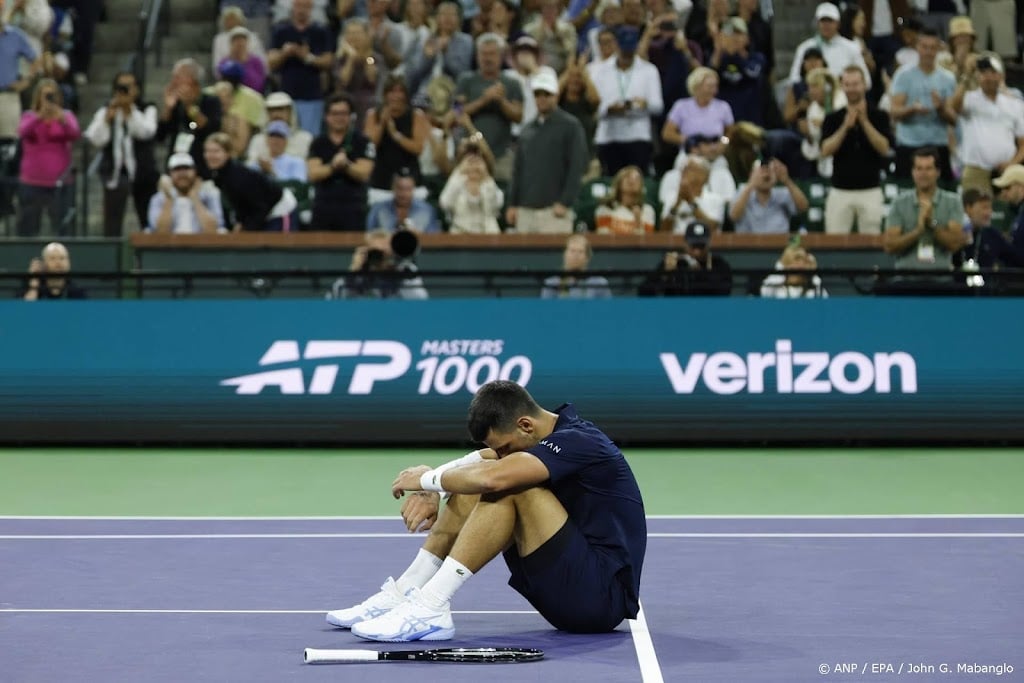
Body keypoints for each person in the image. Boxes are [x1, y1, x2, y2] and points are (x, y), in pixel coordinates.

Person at [326, 380, 646, 642]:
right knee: (483, 478)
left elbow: (493, 476)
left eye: (504, 446)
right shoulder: (537, 438)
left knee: (508, 485)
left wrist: (425, 478)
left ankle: (431, 606)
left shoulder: (582, 441)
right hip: (565, 592)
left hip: (601, 600)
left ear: (525, 424)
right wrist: (432, 486)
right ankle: (408, 590)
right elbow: (481, 462)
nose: (499, 454)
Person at [506, 70, 589, 235]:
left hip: (555, 211)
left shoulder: (571, 126)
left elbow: (577, 165)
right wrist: (512, 204)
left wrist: (565, 202)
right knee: (525, 261)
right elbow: (518, 170)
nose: (542, 98)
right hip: (526, 211)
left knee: (555, 259)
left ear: (556, 95)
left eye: (547, 94)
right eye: (538, 94)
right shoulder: (526, 130)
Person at [84, 71, 159, 237]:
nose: (125, 91)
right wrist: (107, 120)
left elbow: (146, 132)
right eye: (121, 87)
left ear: (137, 89)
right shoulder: (106, 110)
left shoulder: (147, 109)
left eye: (129, 86)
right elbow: (95, 138)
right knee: (112, 225)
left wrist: (129, 112)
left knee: (147, 220)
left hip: (143, 173)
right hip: (114, 174)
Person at [820, 65, 891, 235]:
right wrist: (845, 126)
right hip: (840, 190)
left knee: (872, 244)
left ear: (864, 84)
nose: (852, 88)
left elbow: (884, 148)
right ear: (842, 86)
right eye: (848, 84)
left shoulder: (879, 116)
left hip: (871, 189)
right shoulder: (832, 118)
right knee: (834, 244)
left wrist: (864, 121)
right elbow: (825, 150)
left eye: (856, 84)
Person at [591, 25, 663, 176]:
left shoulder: (649, 70)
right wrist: (609, 109)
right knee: (610, 183)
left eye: (630, 48)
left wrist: (645, 105)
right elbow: (594, 106)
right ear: (616, 44)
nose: (627, 53)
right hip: (609, 136)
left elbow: (658, 106)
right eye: (624, 48)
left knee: (636, 181)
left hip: (638, 136)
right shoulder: (601, 71)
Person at [948, 54, 1024, 194]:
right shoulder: (970, 99)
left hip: (1007, 170)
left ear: (1001, 75)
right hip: (976, 170)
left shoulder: (1015, 104)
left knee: (1008, 212)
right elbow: (954, 106)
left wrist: (1012, 164)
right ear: (977, 76)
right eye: (983, 73)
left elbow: (1023, 144)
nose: (988, 77)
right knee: (974, 212)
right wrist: (966, 76)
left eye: (993, 72)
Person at [888, 27, 957, 181]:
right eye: (924, 47)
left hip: (938, 145)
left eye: (932, 48)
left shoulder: (948, 79)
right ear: (917, 47)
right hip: (909, 145)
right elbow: (894, 112)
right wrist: (912, 109)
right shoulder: (903, 75)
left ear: (938, 49)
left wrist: (941, 108)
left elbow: (954, 119)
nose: (928, 52)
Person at [454, 33, 524, 182]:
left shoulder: (512, 83)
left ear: (501, 56)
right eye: (483, 53)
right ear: (477, 56)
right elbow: (457, 112)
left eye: (492, 53)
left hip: (502, 154)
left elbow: (518, 116)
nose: (487, 58)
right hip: (469, 155)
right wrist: (483, 100)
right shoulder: (465, 80)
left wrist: (501, 100)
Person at [882, 147, 965, 271]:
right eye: (919, 168)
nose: (923, 173)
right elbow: (889, 246)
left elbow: (954, 244)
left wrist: (932, 224)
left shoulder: (953, 201)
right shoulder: (899, 202)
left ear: (938, 172)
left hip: (941, 277)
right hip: (906, 277)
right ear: (912, 172)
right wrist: (918, 231)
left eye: (928, 168)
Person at [16, 78, 80, 237]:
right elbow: (22, 131)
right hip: (32, 182)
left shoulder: (66, 115)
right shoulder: (29, 116)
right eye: (46, 95)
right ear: (38, 97)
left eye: (52, 95)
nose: (49, 99)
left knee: (63, 229)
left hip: (60, 183)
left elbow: (75, 133)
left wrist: (62, 119)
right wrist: (40, 116)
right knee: (28, 229)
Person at [307, 93, 376, 231]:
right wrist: (333, 166)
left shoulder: (362, 141)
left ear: (351, 116)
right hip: (323, 206)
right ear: (327, 116)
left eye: (344, 113)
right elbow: (313, 174)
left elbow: (364, 173)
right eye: (335, 113)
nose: (339, 117)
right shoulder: (318, 142)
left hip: (353, 206)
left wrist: (347, 165)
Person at [204, 132, 296, 231]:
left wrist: (246, 228)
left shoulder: (238, 176)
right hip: (261, 212)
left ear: (228, 153)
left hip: (280, 209)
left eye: (216, 151)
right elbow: (241, 205)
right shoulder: (219, 175)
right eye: (208, 151)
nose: (211, 156)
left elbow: (261, 206)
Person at [268, 0, 333, 135]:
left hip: (312, 96)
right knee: (285, 135)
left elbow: (328, 61)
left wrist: (307, 57)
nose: (301, 10)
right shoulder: (281, 31)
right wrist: (284, 54)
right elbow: (271, 62)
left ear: (311, 8)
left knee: (310, 136)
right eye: (299, 6)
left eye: (305, 6)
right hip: (286, 96)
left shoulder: (320, 31)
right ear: (293, 7)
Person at [363, 75, 430, 201]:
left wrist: (395, 134)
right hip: (381, 182)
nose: (396, 96)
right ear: (385, 95)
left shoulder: (416, 116)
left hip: (411, 181)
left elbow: (418, 148)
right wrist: (382, 124)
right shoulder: (373, 115)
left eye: (400, 91)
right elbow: (369, 147)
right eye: (392, 91)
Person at [157, 59, 223, 179]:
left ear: (193, 80)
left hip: (201, 167)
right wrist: (167, 109)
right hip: (175, 166)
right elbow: (160, 136)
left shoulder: (211, 101)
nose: (173, 82)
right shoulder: (175, 105)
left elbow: (209, 130)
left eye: (178, 77)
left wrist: (189, 106)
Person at [327, 228, 429, 299]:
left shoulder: (405, 270)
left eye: (385, 252)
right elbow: (333, 301)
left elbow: (420, 301)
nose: (381, 257)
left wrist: (399, 273)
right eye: (376, 252)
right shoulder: (358, 275)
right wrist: (353, 273)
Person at [789, 3, 872, 88]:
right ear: (817, 23)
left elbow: (866, 81)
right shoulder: (804, 48)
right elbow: (794, 79)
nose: (826, 24)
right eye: (823, 21)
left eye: (830, 21)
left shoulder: (851, 48)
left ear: (838, 24)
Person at [638, 220, 732, 295]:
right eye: (693, 246)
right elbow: (643, 292)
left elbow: (724, 292)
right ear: (685, 244)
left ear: (709, 244)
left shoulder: (719, 264)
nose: (697, 251)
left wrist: (700, 273)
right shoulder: (676, 262)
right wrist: (663, 274)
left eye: (701, 246)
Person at [147, 152, 224, 234]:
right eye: (177, 169)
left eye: (186, 168)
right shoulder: (159, 199)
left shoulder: (209, 195)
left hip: (202, 245)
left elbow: (213, 231)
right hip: (170, 245)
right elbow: (159, 232)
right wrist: (169, 198)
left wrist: (195, 199)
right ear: (169, 173)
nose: (182, 173)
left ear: (195, 171)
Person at [439, 138, 504, 234]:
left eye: (477, 162)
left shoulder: (489, 184)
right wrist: (459, 173)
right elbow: (445, 203)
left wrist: (486, 177)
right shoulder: (457, 181)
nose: (474, 166)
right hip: (460, 234)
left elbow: (494, 207)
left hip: (488, 235)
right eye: (470, 162)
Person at [730, 158, 808, 234]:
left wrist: (787, 180)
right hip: (747, 244)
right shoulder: (743, 191)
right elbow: (734, 216)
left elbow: (803, 207)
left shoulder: (783, 194)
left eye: (770, 172)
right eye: (762, 171)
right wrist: (751, 184)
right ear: (752, 174)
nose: (766, 175)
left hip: (778, 243)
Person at [246, 91, 313, 164]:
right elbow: (251, 167)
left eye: (280, 109)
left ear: (290, 112)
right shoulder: (258, 140)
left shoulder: (305, 139)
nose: (276, 114)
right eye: (272, 110)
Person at [366, 168, 440, 233]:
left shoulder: (427, 210)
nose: (403, 194)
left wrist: (419, 236)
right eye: (400, 188)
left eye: (407, 189)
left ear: (413, 189)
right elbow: (368, 234)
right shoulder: (378, 209)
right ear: (393, 188)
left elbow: (435, 238)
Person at [541, 234, 612, 298]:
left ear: (587, 257)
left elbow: (607, 310)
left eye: (580, 251)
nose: (576, 255)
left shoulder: (599, 283)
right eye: (572, 251)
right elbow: (546, 311)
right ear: (565, 255)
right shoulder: (551, 283)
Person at [595, 165, 656, 234]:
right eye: (628, 177)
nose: (632, 181)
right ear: (619, 183)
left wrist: (638, 221)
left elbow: (648, 241)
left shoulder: (647, 210)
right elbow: (603, 237)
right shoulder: (605, 208)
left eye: (636, 178)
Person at [19, 242, 86, 300]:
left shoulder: (76, 290)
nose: (58, 262)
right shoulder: (30, 286)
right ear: (43, 263)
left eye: (62, 258)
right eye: (52, 258)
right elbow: (23, 312)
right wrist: (34, 284)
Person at [759, 243, 829, 298]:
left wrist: (812, 271)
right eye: (795, 261)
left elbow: (823, 300)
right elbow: (764, 291)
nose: (798, 266)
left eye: (802, 261)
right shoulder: (778, 288)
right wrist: (780, 268)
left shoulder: (812, 291)